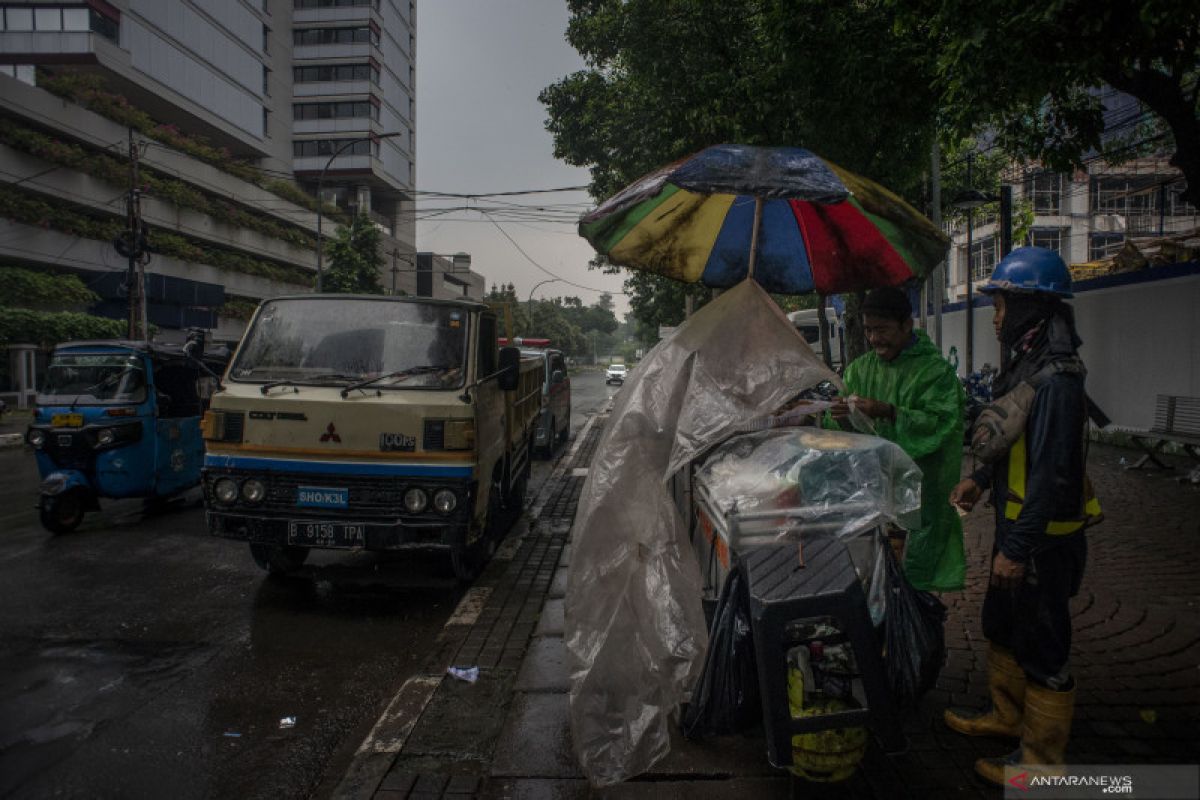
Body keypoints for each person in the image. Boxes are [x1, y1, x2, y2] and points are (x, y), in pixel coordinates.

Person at [946, 247, 1099, 785]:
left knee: (1044, 648)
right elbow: (1017, 446)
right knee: (1003, 626)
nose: (997, 317)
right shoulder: (1029, 369)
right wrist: (980, 479)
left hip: (1042, 541)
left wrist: (1017, 549)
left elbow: (1053, 474)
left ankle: (1041, 766)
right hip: (1017, 529)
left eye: (1003, 305)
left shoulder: (1058, 380)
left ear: (1035, 309)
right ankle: (1007, 718)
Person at [828, 286, 966, 592]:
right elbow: (844, 437)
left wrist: (889, 412)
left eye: (882, 330)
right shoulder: (859, 371)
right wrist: (837, 415)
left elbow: (941, 425)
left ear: (907, 325)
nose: (875, 339)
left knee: (916, 585)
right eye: (868, 330)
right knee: (873, 585)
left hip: (921, 496)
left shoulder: (936, 374)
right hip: (873, 499)